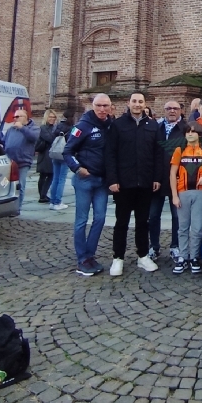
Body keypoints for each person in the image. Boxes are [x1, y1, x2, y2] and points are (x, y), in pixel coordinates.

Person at [104, 91, 162, 275]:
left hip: (145, 182)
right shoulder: (117, 125)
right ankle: (118, 258)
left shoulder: (153, 126)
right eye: (134, 101)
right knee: (122, 222)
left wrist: (156, 178)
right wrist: (112, 180)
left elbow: (158, 155)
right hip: (123, 183)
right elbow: (110, 154)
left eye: (140, 102)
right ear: (128, 103)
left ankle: (143, 256)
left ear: (145, 105)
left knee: (143, 222)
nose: (137, 104)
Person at [64, 95, 113, 277]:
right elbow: (67, 151)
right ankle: (82, 258)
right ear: (93, 106)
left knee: (100, 218)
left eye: (105, 106)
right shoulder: (82, 126)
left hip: (102, 181)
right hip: (85, 180)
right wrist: (77, 168)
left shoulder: (110, 125)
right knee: (81, 220)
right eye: (99, 106)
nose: (102, 109)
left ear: (110, 107)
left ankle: (90, 254)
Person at [170, 122, 202, 274]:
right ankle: (182, 256)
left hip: (200, 192)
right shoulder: (179, 150)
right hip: (183, 192)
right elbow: (172, 174)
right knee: (182, 227)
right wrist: (174, 196)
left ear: (199, 135)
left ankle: (194, 257)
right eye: (188, 131)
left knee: (196, 228)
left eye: (193, 132)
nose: (190, 134)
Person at [150, 98, 188, 265]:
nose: (172, 111)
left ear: (180, 110)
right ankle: (154, 246)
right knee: (153, 215)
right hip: (157, 179)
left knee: (177, 216)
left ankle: (175, 246)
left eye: (175, 108)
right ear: (164, 110)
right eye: (168, 108)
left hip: (177, 180)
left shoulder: (186, 128)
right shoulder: (156, 127)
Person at [0, 107, 39, 207]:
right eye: (14, 117)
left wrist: (22, 128)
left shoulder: (33, 128)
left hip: (23, 162)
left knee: (20, 185)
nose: (15, 119)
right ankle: (7, 206)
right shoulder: (11, 129)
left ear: (25, 117)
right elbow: (4, 142)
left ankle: (17, 208)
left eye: (17, 116)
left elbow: (33, 137)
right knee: (5, 184)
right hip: (10, 162)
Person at [35, 109, 69, 210]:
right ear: (46, 117)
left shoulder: (55, 127)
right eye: (50, 117)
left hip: (53, 154)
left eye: (54, 117)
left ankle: (45, 195)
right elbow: (50, 138)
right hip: (45, 154)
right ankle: (42, 195)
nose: (52, 119)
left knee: (51, 176)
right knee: (44, 175)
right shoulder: (43, 127)